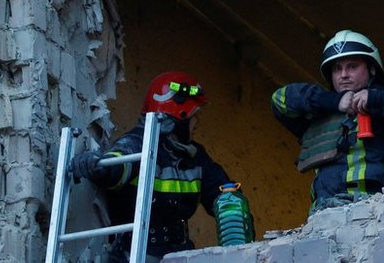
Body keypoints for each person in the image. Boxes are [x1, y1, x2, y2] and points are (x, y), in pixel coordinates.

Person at [71, 71, 252, 262]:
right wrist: (100, 166)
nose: (197, 122)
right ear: (178, 117)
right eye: (194, 116)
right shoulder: (139, 143)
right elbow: (120, 163)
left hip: (180, 255)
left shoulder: (195, 156)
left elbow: (222, 191)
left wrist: (233, 214)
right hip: (134, 255)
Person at [271, 29, 384, 212]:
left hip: (379, 211)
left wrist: (377, 99)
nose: (344, 75)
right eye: (337, 69)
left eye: (352, 66)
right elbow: (279, 100)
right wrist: (332, 102)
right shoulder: (319, 115)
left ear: (372, 68)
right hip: (325, 215)